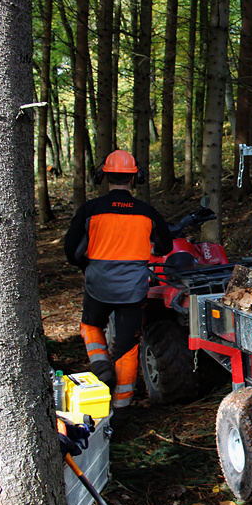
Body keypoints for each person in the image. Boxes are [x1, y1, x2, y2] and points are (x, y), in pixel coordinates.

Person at [64, 150, 172, 421]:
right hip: (133, 290)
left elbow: (71, 251)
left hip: (98, 286)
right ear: (136, 178)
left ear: (104, 176)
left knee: (90, 325)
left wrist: (87, 267)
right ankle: (122, 409)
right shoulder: (148, 213)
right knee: (127, 346)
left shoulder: (90, 211)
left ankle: (100, 365)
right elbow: (165, 247)